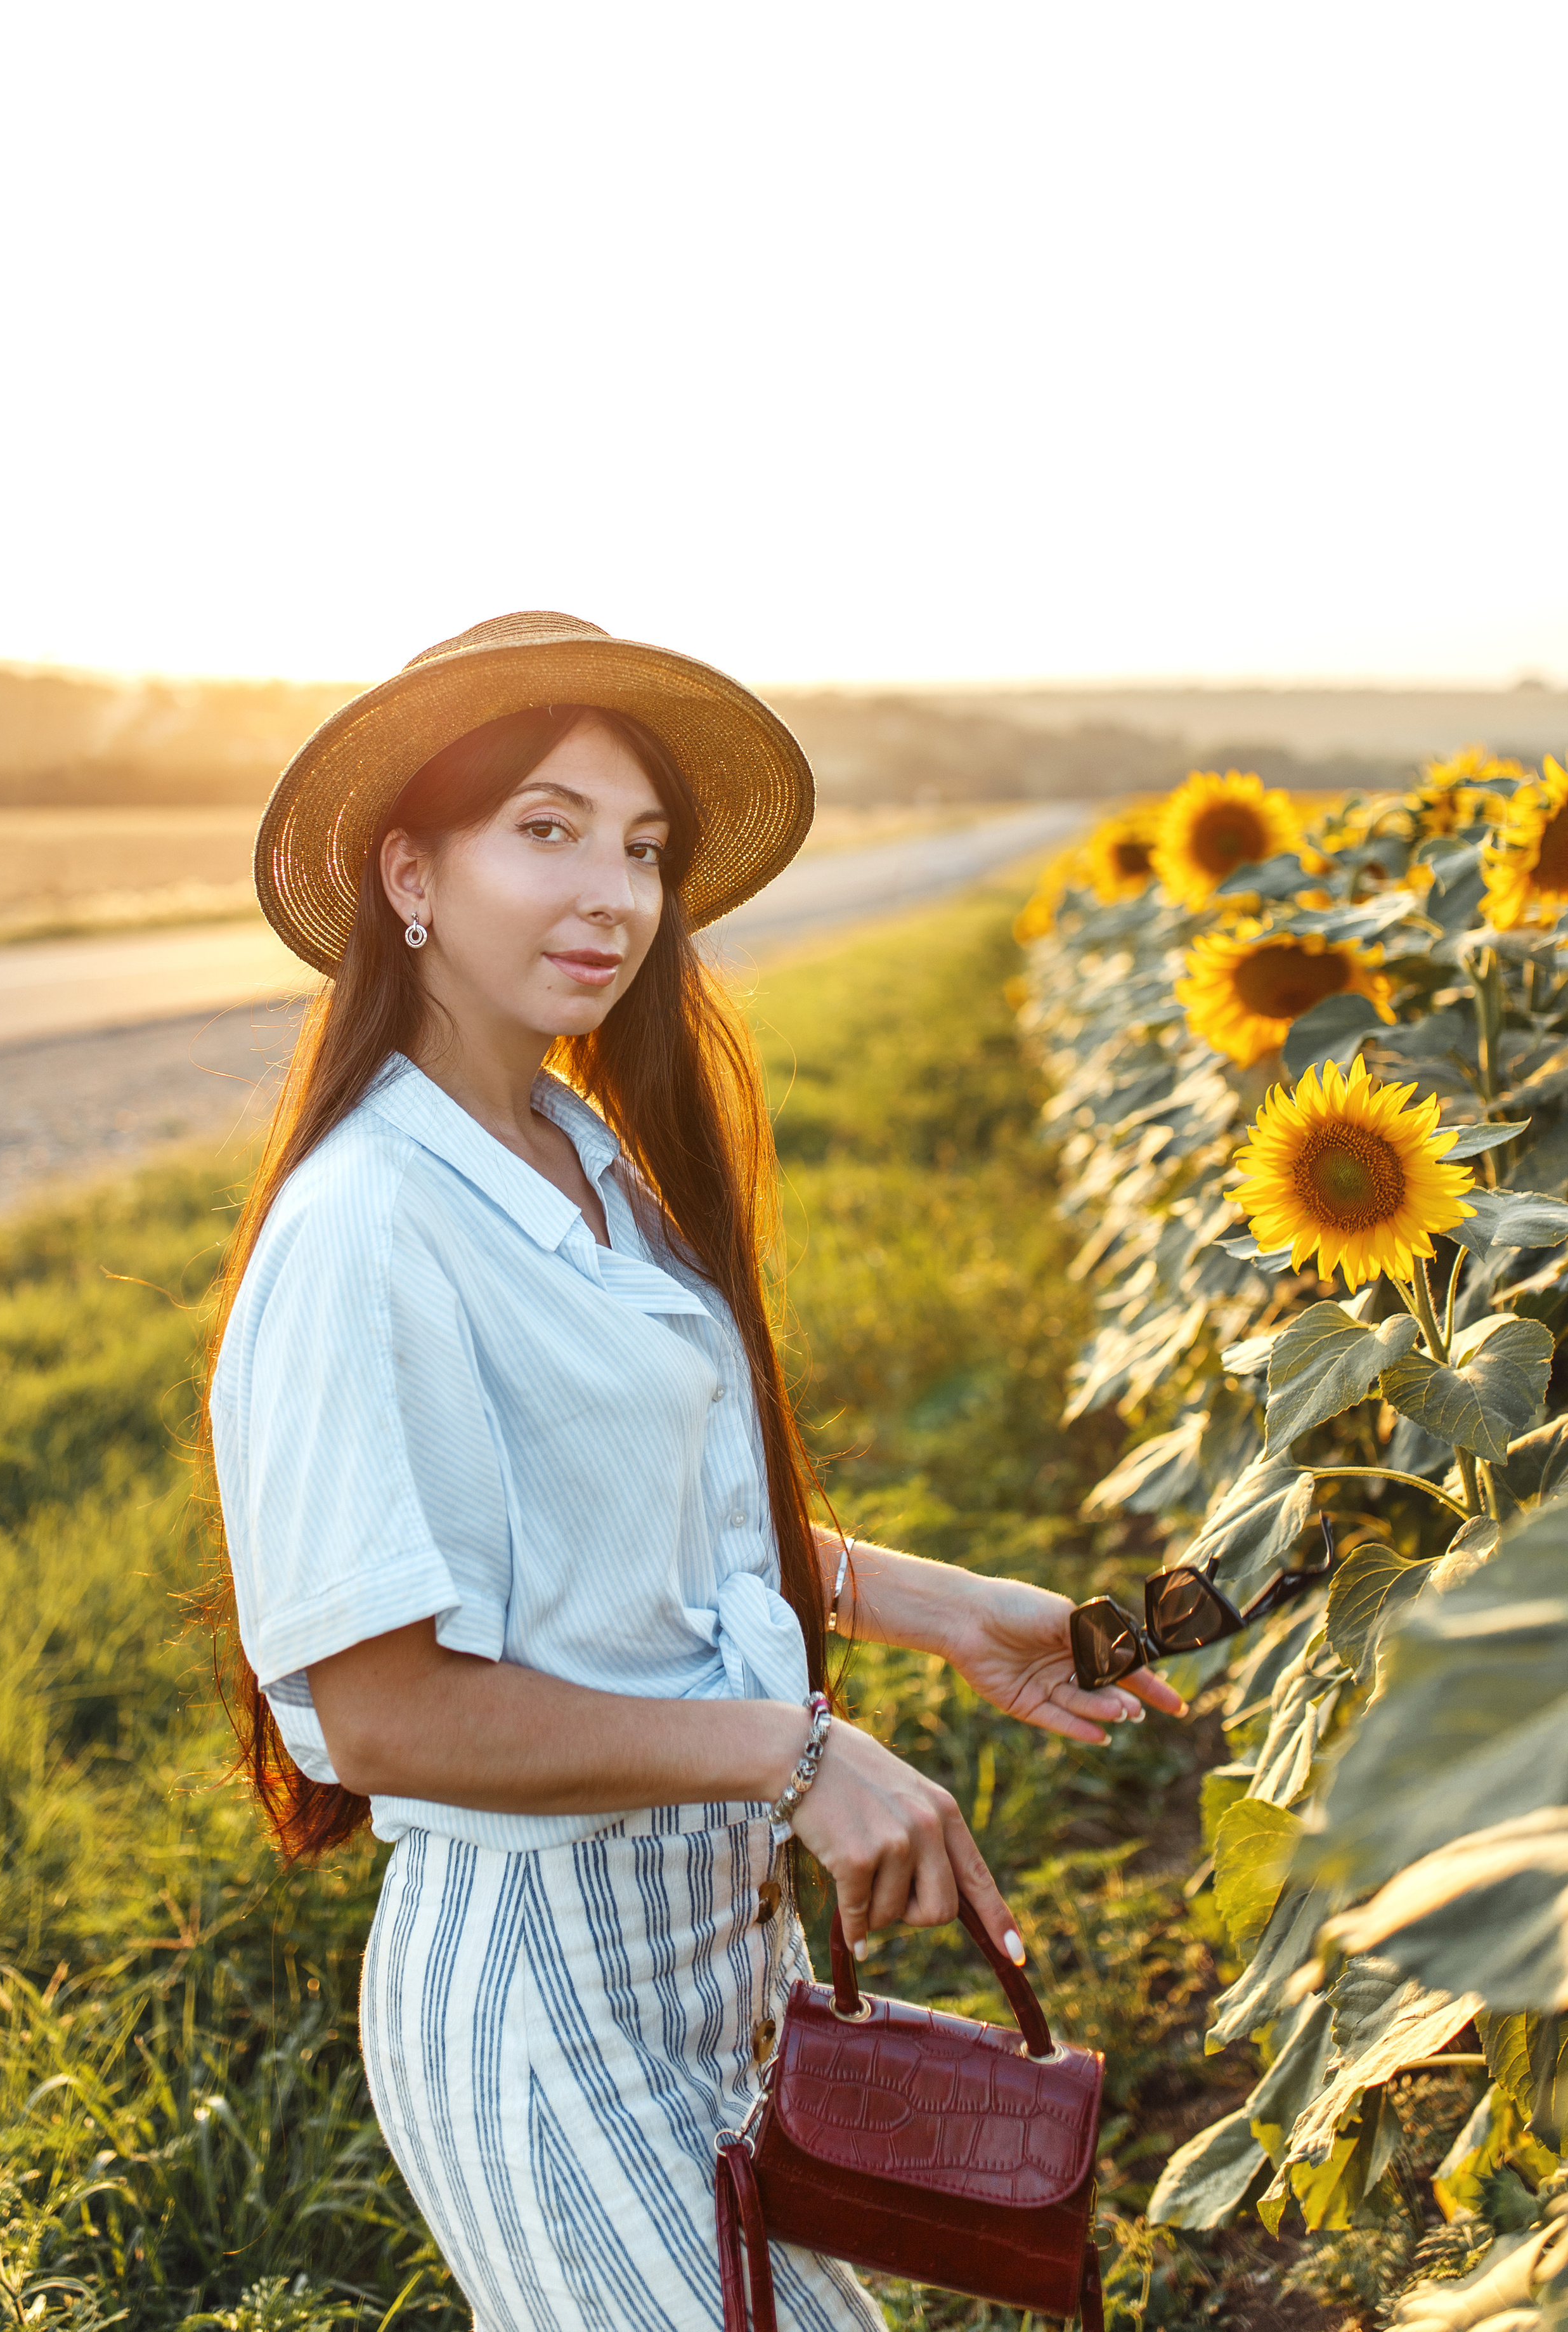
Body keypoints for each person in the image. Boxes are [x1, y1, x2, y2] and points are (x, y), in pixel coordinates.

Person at [206, 610, 1184, 2332]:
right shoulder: (368, 1222)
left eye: (645, 850)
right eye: (550, 831)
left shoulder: (587, 1158)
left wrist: (958, 1615)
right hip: (542, 1995)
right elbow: (382, 1712)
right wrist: (799, 1749)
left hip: (724, 1970)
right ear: (409, 872)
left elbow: (649, 1518)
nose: (615, 895)